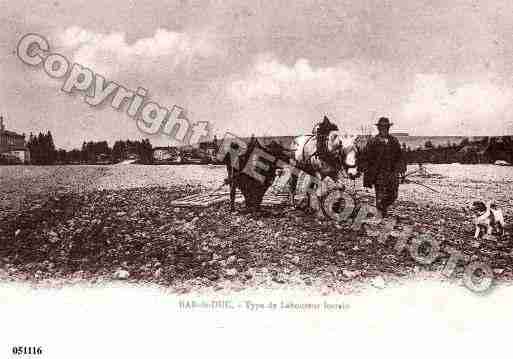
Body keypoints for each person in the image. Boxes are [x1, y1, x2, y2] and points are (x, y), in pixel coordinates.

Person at [360, 117, 406, 217]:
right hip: (378, 173)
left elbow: (400, 156)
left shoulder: (394, 140)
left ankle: (382, 208)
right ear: (379, 128)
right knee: (380, 195)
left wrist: (402, 169)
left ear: (388, 128)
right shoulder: (373, 141)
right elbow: (366, 157)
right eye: (382, 127)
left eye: (386, 127)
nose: (384, 129)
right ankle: (380, 214)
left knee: (393, 195)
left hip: (392, 173)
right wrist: (366, 171)